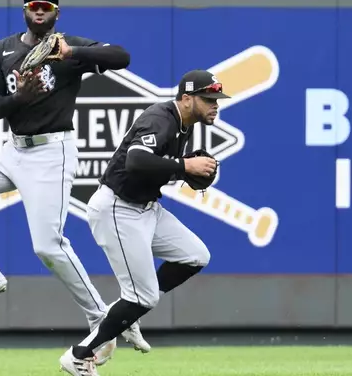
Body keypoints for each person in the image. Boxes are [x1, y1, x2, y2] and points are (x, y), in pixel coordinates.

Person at [0, 0, 150, 363]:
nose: (40, 10)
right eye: (34, 4)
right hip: (13, 149)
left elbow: (122, 56)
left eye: (47, 6)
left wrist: (76, 53)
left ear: (56, 14)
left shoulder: (68, 48)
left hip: (53, 151)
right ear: (24, 11)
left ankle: (104, 317)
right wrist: (20, 99)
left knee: (47, 245)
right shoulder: (2, 50)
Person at [58, 70, 231, 375]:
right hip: (118, 209)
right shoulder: (161, 118)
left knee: (195, 256)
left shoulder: (183, 124)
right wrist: (184, 165)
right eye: (208, 99)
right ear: (187, 98)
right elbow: (136, 161)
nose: (215, 104)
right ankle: (79, 355)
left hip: (146, 209)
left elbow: (155, 167)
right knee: (143, 296)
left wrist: (181, 170)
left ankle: (128, 314)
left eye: (217, 99)